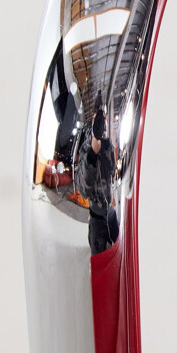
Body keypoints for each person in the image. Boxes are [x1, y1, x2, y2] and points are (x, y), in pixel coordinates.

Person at [76, 107, 119, 255]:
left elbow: (112, 170)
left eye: (104, 120)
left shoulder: (108, 144)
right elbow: (83, 189)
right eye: (98, 120)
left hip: (111, 213)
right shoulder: (86, 148)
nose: (102, 124)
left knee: (119, 249)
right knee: (98, 259)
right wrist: (92, 154)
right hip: (97, 218)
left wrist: (106, 147)